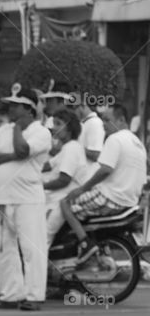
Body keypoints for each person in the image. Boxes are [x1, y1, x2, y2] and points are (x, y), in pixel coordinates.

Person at [0, 86, 51, 311]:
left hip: (28, 200)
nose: (10, 108)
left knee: (32, 249)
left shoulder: (41, 132)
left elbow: (23, 150)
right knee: (4, 248)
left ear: (29, 109)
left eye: (16, 105)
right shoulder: (3, 129)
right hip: (4, 198)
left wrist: (18, 130)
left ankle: (34, 296)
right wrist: (11, 155)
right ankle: (10, 294)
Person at [62, 103, 147, 264]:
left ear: (121, 120)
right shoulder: (138, 143)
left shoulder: (115, 139)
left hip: (111, 197)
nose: (103, 124)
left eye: (107, 120)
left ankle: (85, 244)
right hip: (130, 200)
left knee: (65, 203)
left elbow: (105, 170)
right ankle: (96, 248)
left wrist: (82, 189)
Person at [42, 109, 88, 246]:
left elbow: (64, 180)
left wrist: (39, 185)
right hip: (54, 199)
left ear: (69, 128)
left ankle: (41, 267)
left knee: (42, 238)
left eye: (58, 124)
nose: (53, 127)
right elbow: (48, 165)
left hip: (61, 201)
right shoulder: (66, 148)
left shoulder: (72, 149)